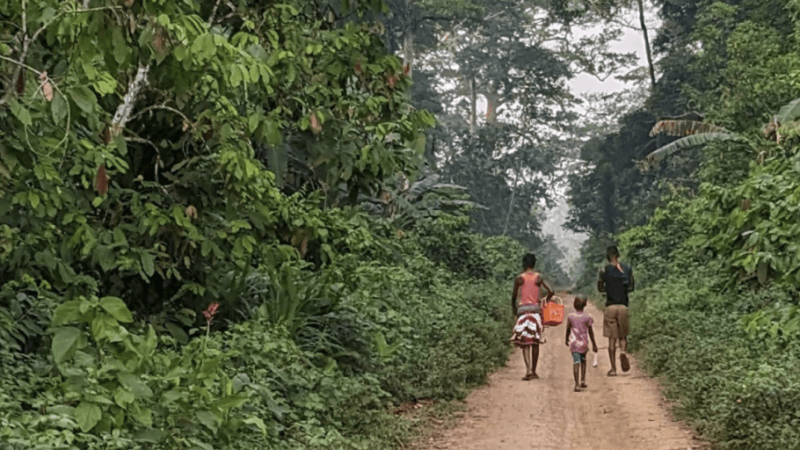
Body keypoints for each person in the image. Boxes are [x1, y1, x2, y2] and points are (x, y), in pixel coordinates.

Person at [511, 253, 555, 380]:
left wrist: (514, 310)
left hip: (523, 310)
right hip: (535, 310)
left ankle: (528, 369)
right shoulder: (538, 277)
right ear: (534, 263)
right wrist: (544, 300)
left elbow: (513, 297)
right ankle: (534, 371)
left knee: (525, 342)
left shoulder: (519, 278)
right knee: (535, 341)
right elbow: (551, 291)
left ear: (523, 264)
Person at [597, 246, 634, 377]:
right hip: (623, 306)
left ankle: (613, 369)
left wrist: (608, 288)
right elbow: (631, 287)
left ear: (608, 256)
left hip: (611, 307)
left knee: (612, 340)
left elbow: (600, 288)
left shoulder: (604, 270)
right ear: (618, 255)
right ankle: (623, 352)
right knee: (623, 336)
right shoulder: (627, 268)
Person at [565, 294, 598, 392]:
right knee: (583, 361)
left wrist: (565, 338)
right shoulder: (588, 316)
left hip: (574, 343)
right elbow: (591, 332)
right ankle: (583, 380)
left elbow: (567, 329)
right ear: (585, 305)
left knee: (576, 362)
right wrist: (594, 344)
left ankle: (577, 384)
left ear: (574, 304)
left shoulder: (570, 316)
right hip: (584, 343)